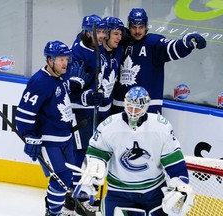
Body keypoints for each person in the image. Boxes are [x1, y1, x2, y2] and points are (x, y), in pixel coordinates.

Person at [73, 86, 195, 215]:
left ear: (146, 107)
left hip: (153, 192)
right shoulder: (109, 126)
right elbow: (97, 153)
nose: (133, 111)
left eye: (138, 107)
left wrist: (180, 183)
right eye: (130, 106)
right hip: (119, 192)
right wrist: (91, 175)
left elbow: (174, 162)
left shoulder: (161, 128)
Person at [15, 40, 76, 216]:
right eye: (60, 59)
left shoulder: (61, 76)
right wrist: (29, 135)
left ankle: (52, 208)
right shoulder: (39, 81)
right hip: (49, 141)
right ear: (50, 60)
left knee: (67, 177)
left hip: (65, 138)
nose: (65, 63)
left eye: (66, 59)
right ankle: (54, 213)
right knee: (61, 178)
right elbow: (23, 114)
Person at [69, 15, 125, 205]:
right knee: (82, 151)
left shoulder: (108, 50)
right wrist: (85, 95)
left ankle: (88, 190)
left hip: (103, 111)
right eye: (98, 32)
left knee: (96, 152)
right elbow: (70, 88)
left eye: (103, 32)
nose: (100, 36)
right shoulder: (80, 51)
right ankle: (75, 196)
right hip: (81, 112)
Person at [112, 8, 207, 115]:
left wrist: (187, 41)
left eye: (141, 27)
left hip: (148, 110)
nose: (137, 31)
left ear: (146, 26)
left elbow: (172, 47)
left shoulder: (153, 43)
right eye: (134, 27)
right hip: (120, 108)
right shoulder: (120, 43)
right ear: (129, 27)